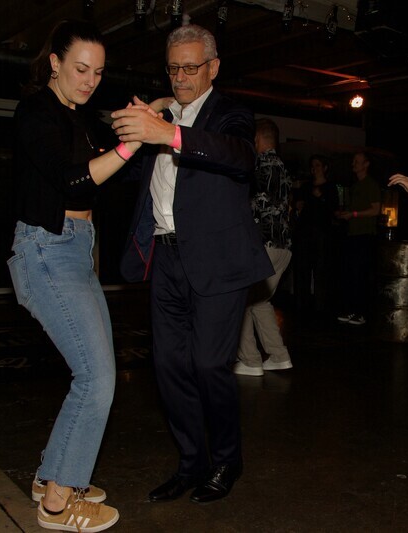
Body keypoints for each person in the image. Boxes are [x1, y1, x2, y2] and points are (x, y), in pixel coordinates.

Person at [111, 24, 273, 504]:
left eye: (190, 67)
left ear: (213, 67)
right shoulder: (161, 116)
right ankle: (190, 463)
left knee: (208, 364)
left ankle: (226, 461)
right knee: (167, 366)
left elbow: (240, 157)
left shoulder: (230, 114)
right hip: (166, 256)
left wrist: (170, 133)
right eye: (173, 68)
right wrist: (151, 120)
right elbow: (127, 169)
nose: (180, 77)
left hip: (218, 261)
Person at [8, 19, 128, 532]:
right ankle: (58, 504)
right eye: (80, 69)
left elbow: (98, 173)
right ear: (54, 63)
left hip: (77, 249)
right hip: (47, 250)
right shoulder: (36, 112)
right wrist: (131, 146)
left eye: (98, 72)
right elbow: (73, 181)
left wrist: (149, 118)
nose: (90, 81)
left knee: (96, 372)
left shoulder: (76, 119)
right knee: (96, 378)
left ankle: (49, 477)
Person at [233, 118, 294, 376]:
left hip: (262, 245)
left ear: (257, 138)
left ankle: (250, 360)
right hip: (283, 247)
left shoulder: (256, 165)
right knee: (260, 301)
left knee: (241, 301)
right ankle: (279, 356)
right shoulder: (285, 169)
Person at [335, 151, 381, 326]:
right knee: (350, 273)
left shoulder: (371, 185)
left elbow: (376, 210)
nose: (353, 163)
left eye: (357, 161)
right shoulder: (355, 186)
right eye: (353, 161)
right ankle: (351, 310)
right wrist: (344, 214)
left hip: (365, 235)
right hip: (352, 234)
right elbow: (355, 210)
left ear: (366, 164)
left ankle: (361, 313)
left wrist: (354, 214)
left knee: (361, 274)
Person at [292, 154, 339, 319]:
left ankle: (321, 307)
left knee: (321, 269)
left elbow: (334, 210)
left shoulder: (330, 187)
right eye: (312, 166)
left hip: (321, 234)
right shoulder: (306, 187)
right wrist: (297, 205)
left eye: (318, 165)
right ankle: (301, 305)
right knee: (302, 269)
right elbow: (297, 204)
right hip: (304, 232)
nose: (314, 168)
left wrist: (322, 198)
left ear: (325, 168)